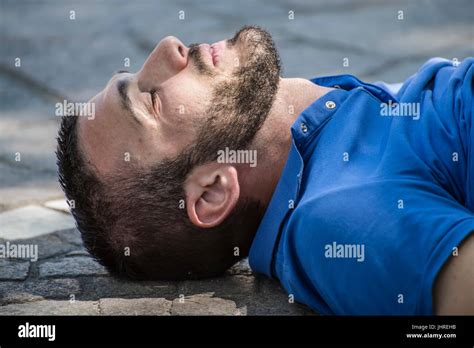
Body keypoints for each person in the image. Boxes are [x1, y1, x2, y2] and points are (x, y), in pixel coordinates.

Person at [56, 26, 474, 315]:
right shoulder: (337, 216)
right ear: (213, 193)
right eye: (151, 101)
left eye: (133, 75)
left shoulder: (320, 133)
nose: (169, 48)